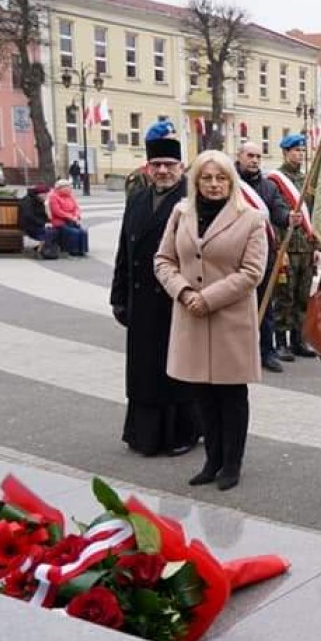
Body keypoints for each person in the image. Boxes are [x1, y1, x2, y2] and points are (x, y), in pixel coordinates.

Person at [155, 150, 269, 492]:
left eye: (221, 178)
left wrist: (208, 299)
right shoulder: (180, 213)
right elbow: (163, 260)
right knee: (201, 394)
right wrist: (184, 292)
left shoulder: (250, 219)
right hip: (190, 314)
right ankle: (212, 460)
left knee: (231, 396)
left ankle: (232, 464)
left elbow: (252, 273)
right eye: (207, 178)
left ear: (231, 182)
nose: (214, 184)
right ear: (196, 181)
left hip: (230, 319)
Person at [110, 125, 199, 458]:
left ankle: (181, 433)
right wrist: (118, 296)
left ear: (180, 167)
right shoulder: (137, 199)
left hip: (175, 300)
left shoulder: (191, 201)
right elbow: (125, 251)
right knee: (143, 371)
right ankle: (141, 433)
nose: (163, 170)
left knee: (174, 373)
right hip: (140, 302)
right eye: (157, 164)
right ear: (148, 167)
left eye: (169, 165)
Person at [236, 142, 289, 373]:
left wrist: (289, 218)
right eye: (250, 155)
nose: (255, 160)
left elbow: (278, 211)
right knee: (236, 306)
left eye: (258, 156)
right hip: (234, 256)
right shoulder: (230, 183)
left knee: (265, 305)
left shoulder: (268, 187)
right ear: (239, 157)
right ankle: (237, 352)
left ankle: (267, 351)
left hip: (263, 256)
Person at [270, 133, 316, 362]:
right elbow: (274, 216)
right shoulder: (276, 181)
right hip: (287, 247)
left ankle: (299, 339)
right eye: (295, 150)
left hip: (305, 248)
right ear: (286, 152)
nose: (299, 154)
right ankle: (280, 342)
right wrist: (279, 248)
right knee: (284, 296)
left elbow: (313, 215)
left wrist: (315, 245)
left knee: (302, 296)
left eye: (302, 151)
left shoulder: (305, 181)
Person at [48, 178, 88, 256]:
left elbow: (76, 208)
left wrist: (76, 215)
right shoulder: (53, 197)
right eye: (68, 187)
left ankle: (82, 250)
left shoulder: (70, 196)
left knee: (83, 231)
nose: (70, 189)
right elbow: (57, 211)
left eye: (70, 187)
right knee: (74, 232)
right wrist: (70, 217)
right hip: (59, 222)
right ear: (60, 188)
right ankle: (73, 250)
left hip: (72, 220)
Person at [17, 184, 57, 256]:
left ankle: (45, 249)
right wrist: (42, 224)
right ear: (39, 194)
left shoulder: (40, 201)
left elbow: (44, 215)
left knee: (54, 230)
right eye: (45, 194)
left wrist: (48, 221)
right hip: (29, 225)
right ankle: (45, 251)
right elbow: (28, 216)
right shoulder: (27, 201)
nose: (47, 196)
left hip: (38, 224)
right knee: (48, 232)